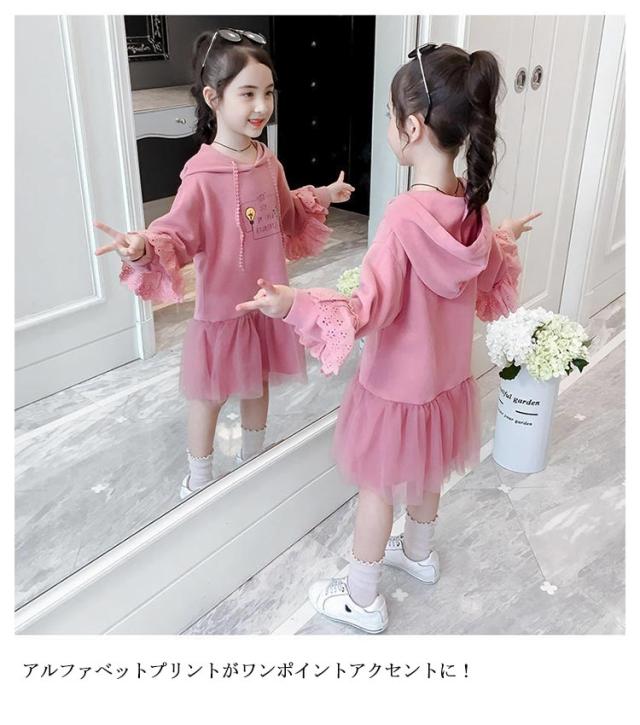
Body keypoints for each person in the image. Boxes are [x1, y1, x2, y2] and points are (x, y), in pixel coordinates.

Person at [237, 43, 541, 633]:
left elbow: (367, 309)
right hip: (445, 381)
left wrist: (293, 303)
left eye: (388, 115)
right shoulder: (471, 204)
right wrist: (505, 233)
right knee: (427, 470)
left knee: (377, 488)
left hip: (396, 387)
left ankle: (361, 596)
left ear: (412, 126)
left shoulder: (404, 215)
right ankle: (419, 553)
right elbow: (484, 268)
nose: (387, 125)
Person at [95, 28, 354, 499]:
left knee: (258, 383)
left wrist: (323, 194)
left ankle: (251, 461)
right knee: (210, 395)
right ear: (213, 98)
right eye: (248, 93)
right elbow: (176, 234)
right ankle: (198, 478)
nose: (262, 106)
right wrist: (142, 247)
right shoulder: (201, 175)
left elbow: (288, 213)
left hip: (268, 302)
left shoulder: (269, 163)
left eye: (269, 93)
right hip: (221, 311)